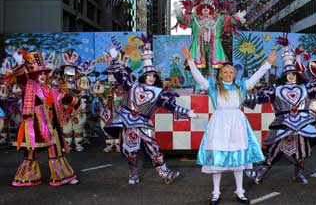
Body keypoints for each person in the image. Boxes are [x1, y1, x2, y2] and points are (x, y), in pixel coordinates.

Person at [182, 46, 277, 205]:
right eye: (225, 72)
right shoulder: (212, 86)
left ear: (235, 74)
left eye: (231, 72)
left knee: (238, 158)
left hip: (237, 123)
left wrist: (267, 63)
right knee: (217, 160)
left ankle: (240, 191)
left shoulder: (241, 85)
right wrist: (191, 62)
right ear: (220, 74)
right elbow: (198, 77)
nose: (228, 74)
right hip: (219, 123)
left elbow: (256, 75)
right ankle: (216, 192)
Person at [104, 38, 198, 185]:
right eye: (149, 75)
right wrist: (114, 57)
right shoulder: (133, 85)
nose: (151, 78)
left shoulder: (159, 92)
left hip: (145, 124)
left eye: (153, 76)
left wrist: (186, 111)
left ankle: (166, 174)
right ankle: (133, 173)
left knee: (154, 149)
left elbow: (169, 106)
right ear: (143, 76)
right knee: (131, 151)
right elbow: (118, 75)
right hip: (129, 123)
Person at [244, 42, 316, 185]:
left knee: (301, 150)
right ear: (284, 76)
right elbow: (260, 98)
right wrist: (243, 98)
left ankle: (298, 173)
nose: (291, 76)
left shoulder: (306, 88)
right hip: (283, 123)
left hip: (303, 123)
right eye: (288, 74)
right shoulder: (275, 89)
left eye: (293, 73)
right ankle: (259, 173)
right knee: (275, 149)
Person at [8, 49, 82, 186]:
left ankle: (62, 177)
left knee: (56, 151)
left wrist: (76, 102)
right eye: (38, 73)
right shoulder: (28, 86)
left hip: (51, 126)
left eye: (44, 73)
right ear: (33, 76)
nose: (42, 75)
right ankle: (27, 177)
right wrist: (19, 64)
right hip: (33, 126)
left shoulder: (50, 89)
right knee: (30, 153)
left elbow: (63, 97)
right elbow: (21, 78)